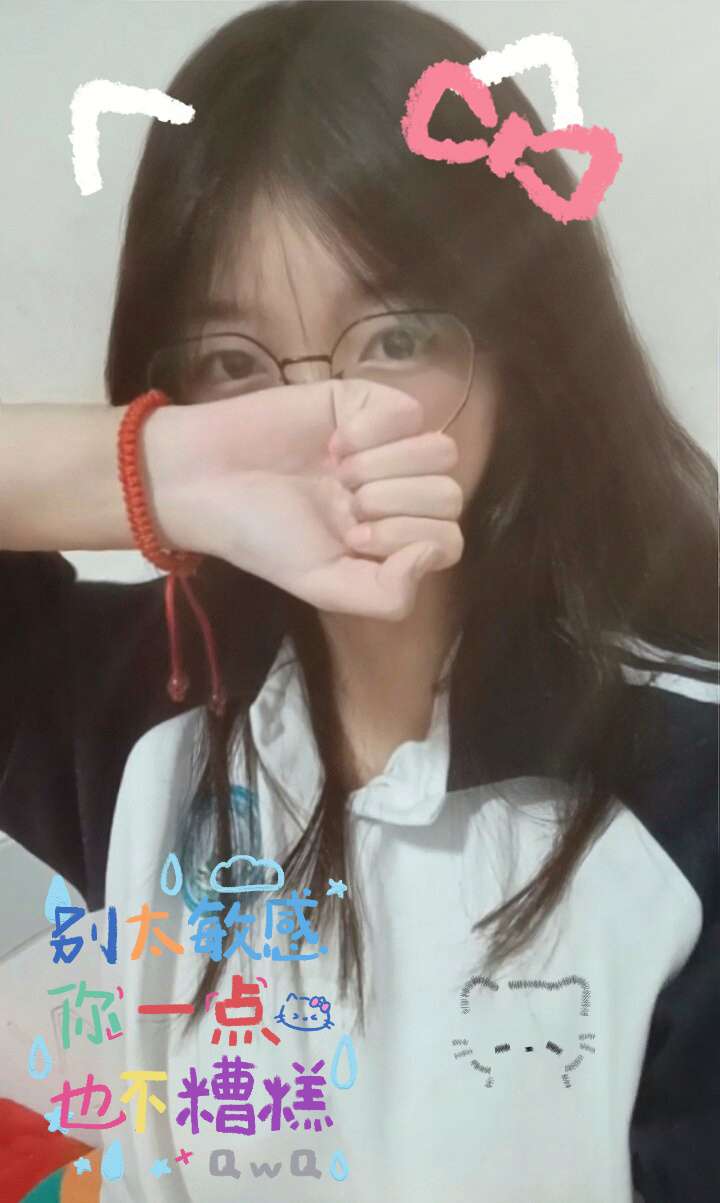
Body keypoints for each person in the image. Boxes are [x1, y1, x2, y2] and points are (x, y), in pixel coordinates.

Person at [1, 3, 717, 1202]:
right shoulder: (144, 717)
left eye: (396, 339)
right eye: (231, 362)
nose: (322, 424)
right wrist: (158, 470)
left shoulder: (687, 781)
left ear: (522, 349)